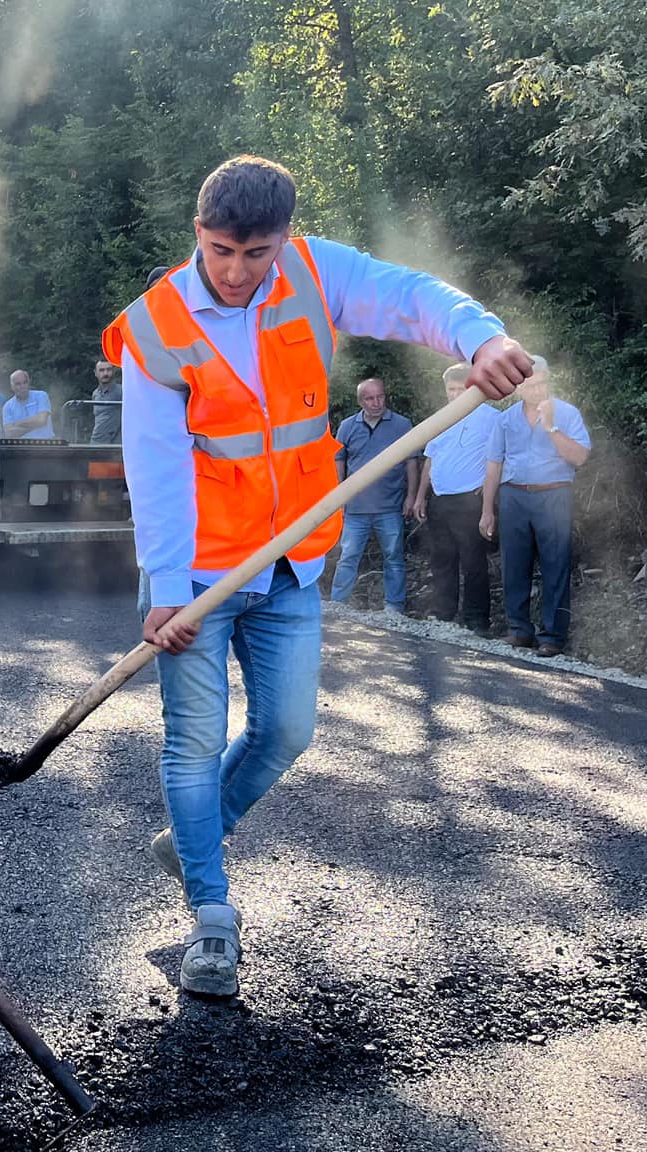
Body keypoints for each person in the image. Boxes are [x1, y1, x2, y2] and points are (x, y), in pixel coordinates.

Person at [105, 155, 531, 997]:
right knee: (192, 742)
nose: (236, 271)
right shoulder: (154, 327)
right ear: (199, 234)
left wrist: (483, 338)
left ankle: (192, 839)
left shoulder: (312, 272)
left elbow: (410, 294)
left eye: (255, 252)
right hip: (200, 576)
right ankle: (211, 914)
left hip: (295, 563)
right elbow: (153, 467)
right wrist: (164, 588)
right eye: (222, 250)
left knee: (289, 731)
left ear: (283, 241)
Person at [481, 356, 589, 657]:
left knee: (555, 564)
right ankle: (519, 630)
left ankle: (552, 636)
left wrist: (551, 426)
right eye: (530, 384)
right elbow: (494, 465)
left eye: (542, 382)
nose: (538, 389)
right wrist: (487, 510)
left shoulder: (567, 413)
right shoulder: (505, 419)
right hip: (514, 496)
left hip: (554, 495)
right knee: (514, 564)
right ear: (517, 387)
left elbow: (579, 458)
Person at [414, 362, 499, 635]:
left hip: (469, 500)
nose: (455, 394)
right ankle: (443, 613)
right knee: (442, 559)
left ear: (473, 387)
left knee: (473, 562)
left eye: (461, 389)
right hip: (440, 499)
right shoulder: (441, 417)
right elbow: (430, 459)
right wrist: (419, 497)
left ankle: (476, 620)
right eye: (451, 389)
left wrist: (488, 491)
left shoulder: (491, 417)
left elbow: (501, 456)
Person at [329, 378, 422, 614]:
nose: (376, 402)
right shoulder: (348, 426)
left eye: (380, 396)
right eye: (370, 398)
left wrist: (411, 496)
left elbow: (411, 462)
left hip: (390, 505)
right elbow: (339, 461)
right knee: (348, 556)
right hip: (356, 507)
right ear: (361, 401)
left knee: (393, 556)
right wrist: (340, 495)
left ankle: (394, 608)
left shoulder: (401, 424)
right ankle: (338, 604)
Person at [0, 370, 57, 439]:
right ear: (12, 387)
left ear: (28, 383)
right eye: (18, 384)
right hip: (20, 446)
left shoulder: (41, 396)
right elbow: (9, 433)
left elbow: (41, 420)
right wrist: (33, 426)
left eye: (25, 382)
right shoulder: (7, 406)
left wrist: (18, 423)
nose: (22, 386)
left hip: (45, 444)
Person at [88, 359, 122, 444]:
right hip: (96, 442)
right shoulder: (95, 393)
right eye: (101, 370)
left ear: (113, 371)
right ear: (95, 373)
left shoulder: (122, 391)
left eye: (109, 370)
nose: (105, 373)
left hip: (115, 445)